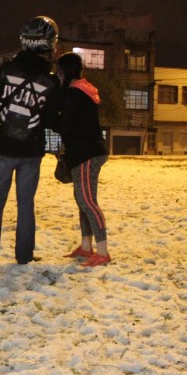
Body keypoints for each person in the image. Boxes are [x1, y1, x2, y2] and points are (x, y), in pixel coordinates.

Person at [0, 16, 61, 265]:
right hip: (31, 150)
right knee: (26, 204)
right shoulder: (51, 80)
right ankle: (24, 255)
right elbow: (52, 120)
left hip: (2, 148)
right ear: (50, 43)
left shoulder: (6, 70)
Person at [53, 52, 111, 267]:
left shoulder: (74, 94)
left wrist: (49, 117)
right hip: (86, 152)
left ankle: (102, 252)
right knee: (83, 200)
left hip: (87, 153)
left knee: (88, 202)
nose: (56, 75)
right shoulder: (81, 90)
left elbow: (64, 125)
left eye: (58, 71)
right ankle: (86, 247)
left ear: (65, 71)